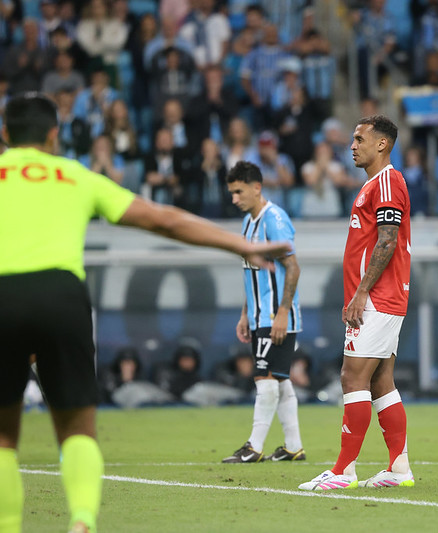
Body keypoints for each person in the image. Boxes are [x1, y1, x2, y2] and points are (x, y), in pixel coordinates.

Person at [0, 93, 290, 533]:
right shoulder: (74, 175)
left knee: (4, 437)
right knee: (76, 427)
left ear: (5, 135)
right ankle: (80, 521)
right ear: (54, 135)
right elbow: (163, 219)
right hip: (61, 295)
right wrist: (241, 244)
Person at [299, 115, 413, 491]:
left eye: (360, 138)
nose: (352, 145)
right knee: (380, 382)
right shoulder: (374, 185)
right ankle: (399, 469)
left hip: (378, 297)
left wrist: (362, 292)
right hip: (384, 297)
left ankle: (343, 471)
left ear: (382, 144)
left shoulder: (387, 182)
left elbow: (387, 239)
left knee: (352, 376)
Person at [222, 160, 305, 464]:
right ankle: (294, 446)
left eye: (238, 191)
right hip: (258, 316)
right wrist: (245, 313)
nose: (234, 198)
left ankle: (254, 447)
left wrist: (282, 313)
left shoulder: (274, 219)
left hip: (275, 318)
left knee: (265, 379)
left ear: (257, 188)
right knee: (279, 381)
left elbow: (293, 268)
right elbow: (252, 273)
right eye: (232, 192)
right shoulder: (248, 222)